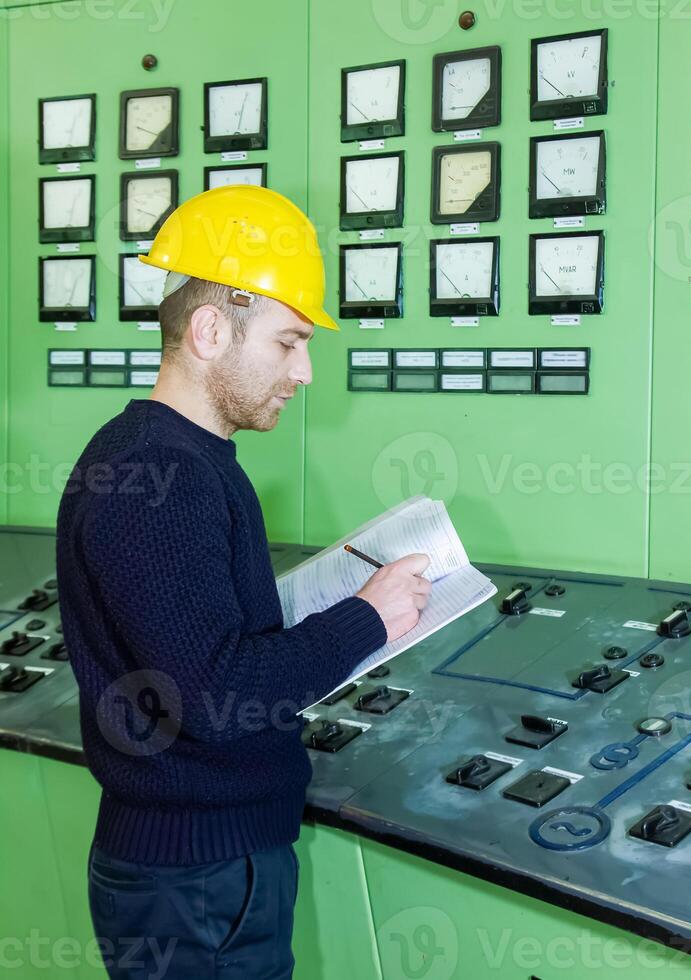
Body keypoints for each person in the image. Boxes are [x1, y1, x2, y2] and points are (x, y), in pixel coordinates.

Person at [55, 185, 431, 979]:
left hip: (203, 865)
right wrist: (368, 617)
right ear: (210, 329)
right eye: (289, 342)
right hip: (195, 880)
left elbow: (196, 645)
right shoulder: (157, 471)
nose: (305, 372)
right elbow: (213, 692)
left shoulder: (176, 460)